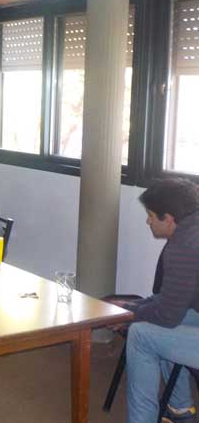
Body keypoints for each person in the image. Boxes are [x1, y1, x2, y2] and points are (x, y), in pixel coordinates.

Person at [118, 178, 199, 423]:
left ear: (170, 218)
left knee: (142, 335)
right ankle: (180, 410)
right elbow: (176, 300)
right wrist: (133, 308)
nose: (148, 221)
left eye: (151, 215)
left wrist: (130, 317)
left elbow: (167, 316)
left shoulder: (183, 245)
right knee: (162, 320)